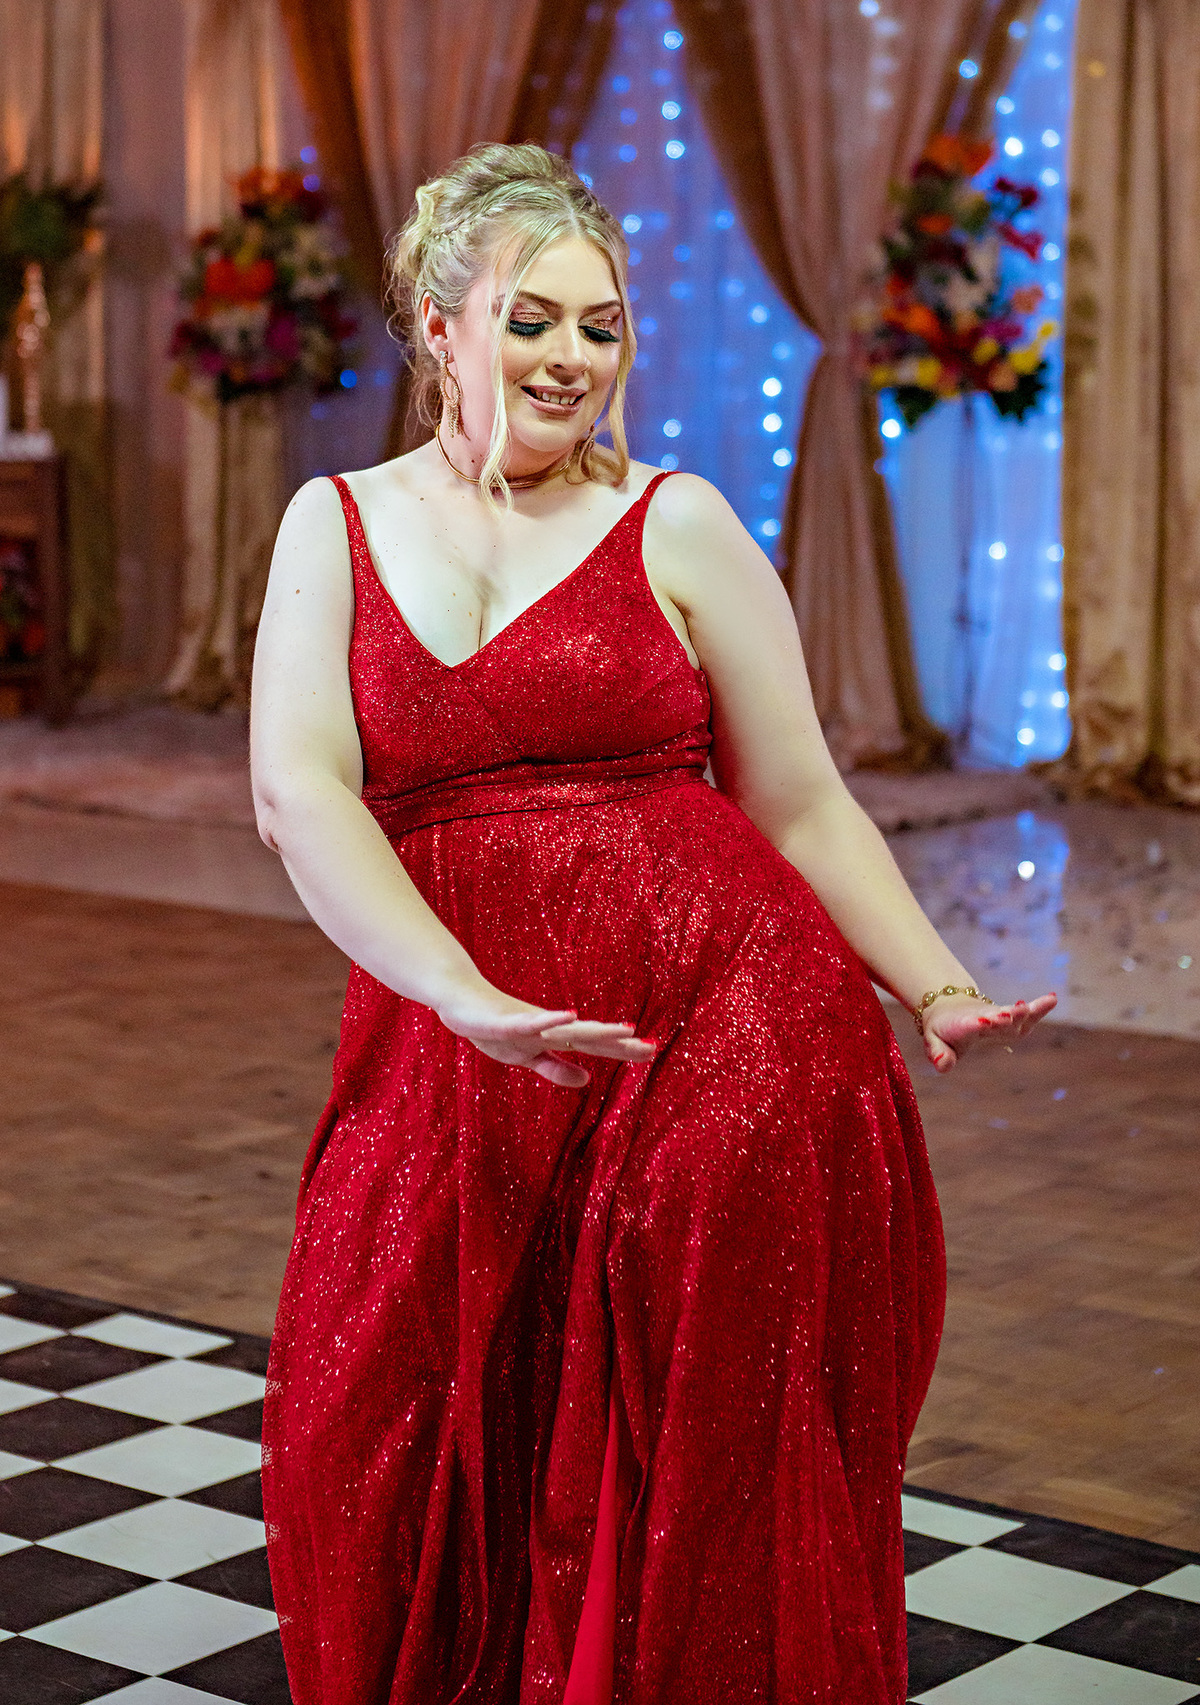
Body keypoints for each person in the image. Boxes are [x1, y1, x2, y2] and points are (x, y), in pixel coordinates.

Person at [251, 142, 1055, 1705]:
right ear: (440, 327)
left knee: (683, 1443)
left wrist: (934, 981)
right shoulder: (331, 523)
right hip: (457, 1036)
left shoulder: (676, 522)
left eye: (601, 324)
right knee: (387, 1411)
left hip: (729, 1027)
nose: (573, 357)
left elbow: (800, 801)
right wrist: (458, 990)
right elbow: (300, 793)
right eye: (533, 319)